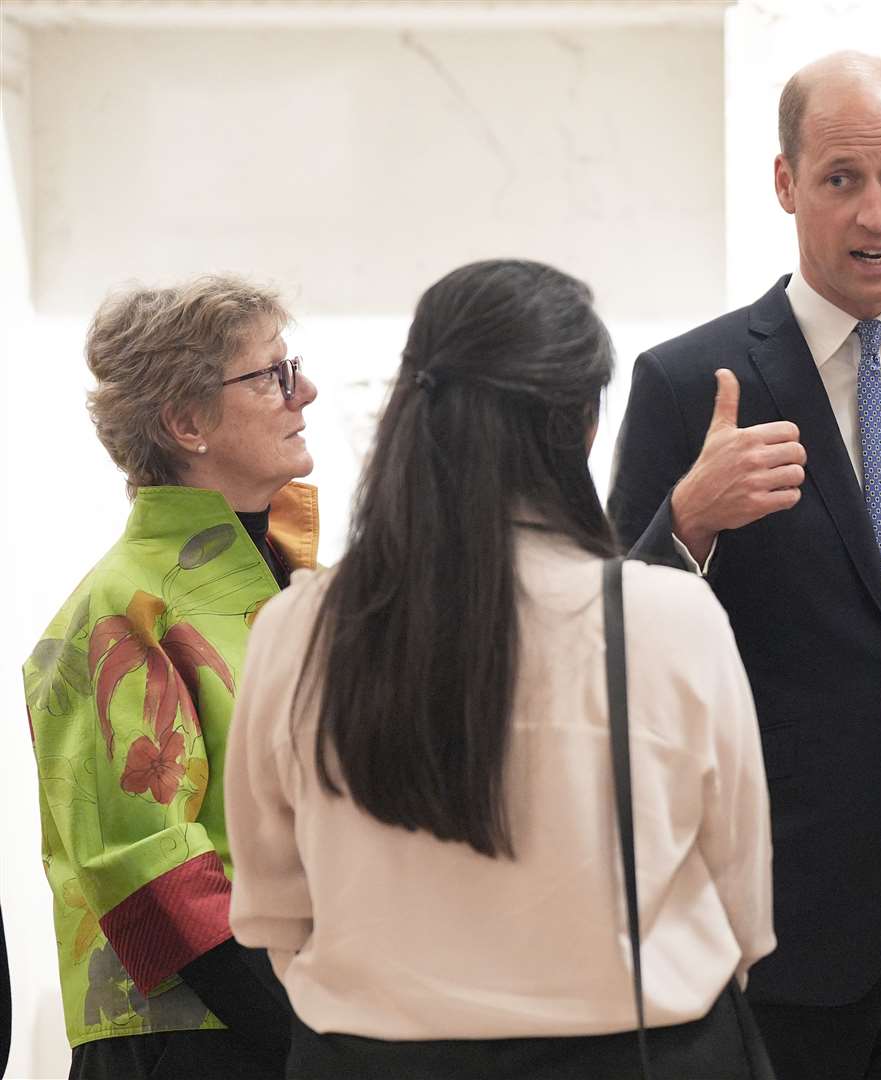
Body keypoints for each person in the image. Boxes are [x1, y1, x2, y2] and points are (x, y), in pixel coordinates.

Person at [225, 259, 774, 1079]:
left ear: (415, 404)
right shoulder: (669, 619)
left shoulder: (298, 629)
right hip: (644, 1053)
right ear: (584, 422)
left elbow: (275, 911)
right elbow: (743, 914)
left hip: (366, 1059)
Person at [608, 50, 881, 1080]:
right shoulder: (688, 384)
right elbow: (610, 646)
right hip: (784, 923)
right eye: (840, 180)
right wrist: (687, 522)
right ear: (786, 184)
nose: (875, 214)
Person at [22, 276, 318, 1078]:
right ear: (187, 422)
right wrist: (312, 1049)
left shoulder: (302, 583)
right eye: (275, 375)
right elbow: (152, 876)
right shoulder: (117, 608)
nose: (307, 392)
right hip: (199, 1040)